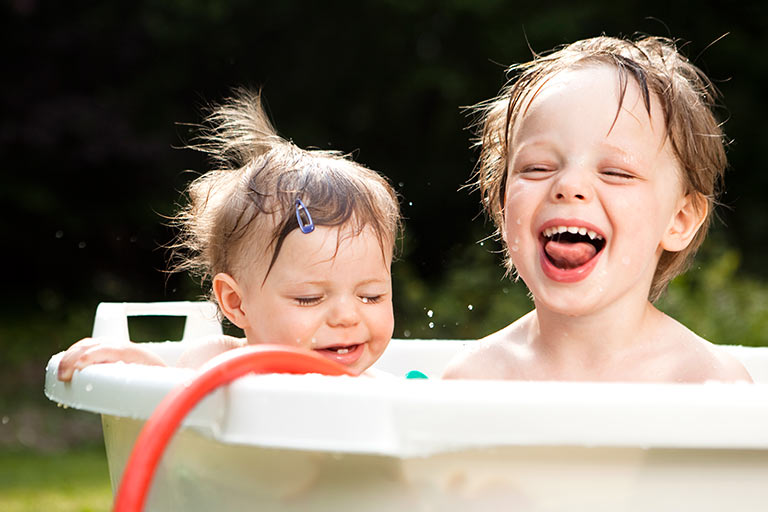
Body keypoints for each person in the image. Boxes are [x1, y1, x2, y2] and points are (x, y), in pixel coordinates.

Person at [444, 36, 752, 382]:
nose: (569, 185)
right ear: (503, 206)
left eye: (616, 173)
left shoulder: (705, 381)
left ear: (679, 220)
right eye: (537, 168)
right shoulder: (474, 378)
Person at [57, 89, 401, 380]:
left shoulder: (378, 389)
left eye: (371, 296)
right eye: (309, 298)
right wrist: (134, 363)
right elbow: (172, 399)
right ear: (236, 302)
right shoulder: (221, 364)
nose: (347, 317)